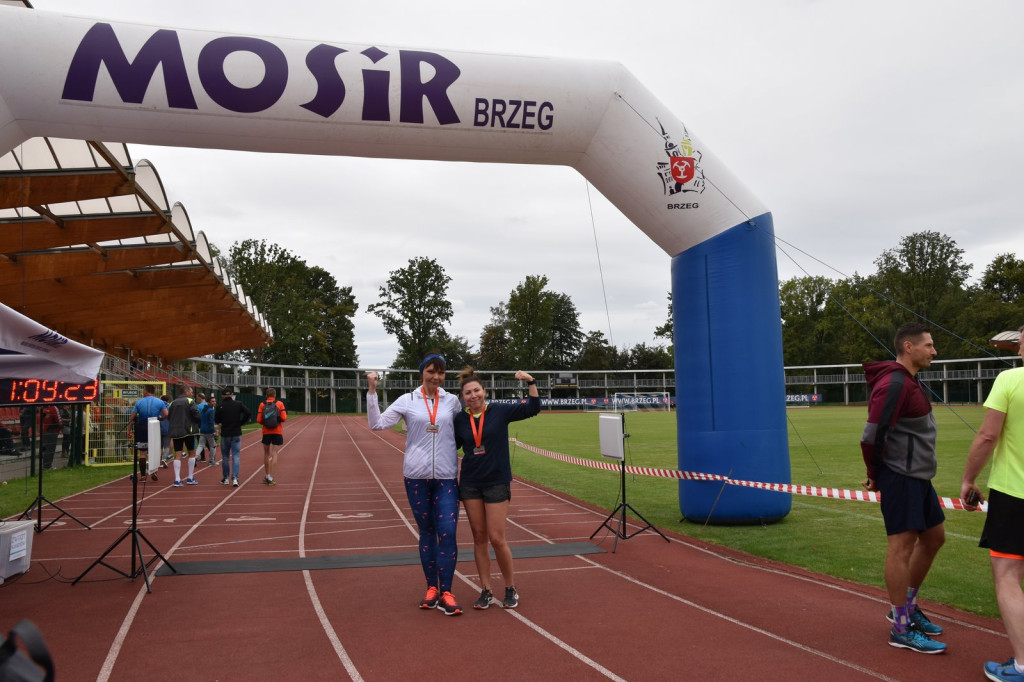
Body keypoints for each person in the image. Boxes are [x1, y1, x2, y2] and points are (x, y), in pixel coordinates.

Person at [861, 322, 946, 654]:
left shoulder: (910, 381)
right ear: (909, 347)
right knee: (901, 547)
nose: (934, 350)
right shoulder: (894, 384)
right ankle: (900, 626)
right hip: (900, 476)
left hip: (919, 477)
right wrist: (875, 474)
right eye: (929, 345)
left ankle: (907, 608)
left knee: (935, 538)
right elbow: (871, 436)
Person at [366, 352, 463, 616]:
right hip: (416, 477)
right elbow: (376, 424)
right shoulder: (407, 400)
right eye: (431, 371)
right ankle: (432, 587)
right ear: (422, 373)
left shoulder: (452, 401)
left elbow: (466, 428)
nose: (436, 377)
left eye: (441, 372)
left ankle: (447, 591)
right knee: (428, 532)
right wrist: (372, 391)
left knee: (448, 531)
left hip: (445, 477)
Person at [961, 325, 1024, 682]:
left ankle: (1021, 665)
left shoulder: (1010, 379)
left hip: (1015, 494)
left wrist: (969, 479)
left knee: (1008, 576)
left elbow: (987, 435)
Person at [454, 367, 540, 610]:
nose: (473, 396)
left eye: (476, 391)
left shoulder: (499, 411)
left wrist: (531, 381)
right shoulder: (460, 419)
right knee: (479, 538)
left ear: (485, 391)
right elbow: (451, 445)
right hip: (470, 483)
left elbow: (533, 408)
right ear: (463, 398)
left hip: (496, 481)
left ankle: (510, 587)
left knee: (497, 538)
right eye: (468, 393)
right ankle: (486, 590)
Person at [127, 384, 167, 482]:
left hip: (142, 427)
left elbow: (132, 417)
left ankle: (143, 475)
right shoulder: (160, 402)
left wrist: (128, 430)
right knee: (155, 451)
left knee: (142, 452)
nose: (142, 392)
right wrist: (160, 419)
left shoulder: (139, 402)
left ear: (146, 391)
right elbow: (166, 414)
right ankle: (154, 472)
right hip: (154, 425)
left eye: (143, 390)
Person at [215, 389, 251, 487]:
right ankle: (235, 478)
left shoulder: (219, 406)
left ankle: (226, 478)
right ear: (231, 395)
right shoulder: (238, 404)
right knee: (236, 456)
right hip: (236, 433)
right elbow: (248, 413)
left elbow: (217, 421)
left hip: (225, 434)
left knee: (225, 457)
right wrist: (241, 422)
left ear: (222, 396)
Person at [167, 386, 201, 487]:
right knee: (191, 452)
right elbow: (196, 414)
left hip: (175, 431)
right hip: (188, 430)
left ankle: (177, 479)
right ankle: (190, 477)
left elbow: (169, 416)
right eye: (191, 391)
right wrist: (197, 422)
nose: (192, 393)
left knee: (177, 454)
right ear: (186, 391)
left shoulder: (173, 402)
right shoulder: (190, 401)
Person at [256, 388, 287, 485]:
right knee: (275, 453)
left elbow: (259, 420)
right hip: (277, 431)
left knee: (266, 453)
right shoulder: (280, 404)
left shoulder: (262, 404)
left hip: (266, 432)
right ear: (275, 395)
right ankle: (271, 477)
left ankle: (267, 475)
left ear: (266, 395)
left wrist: (265, 422)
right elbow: (284, 418)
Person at [195, 394, 219, 466]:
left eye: (214, 401)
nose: (214, 403)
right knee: (213, 446)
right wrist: (214, 431)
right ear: (208, 402)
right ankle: (211, 461)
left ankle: (195, 458)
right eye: (212, 401)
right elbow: (211, 422)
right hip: (209, 431)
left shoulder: (203, 410)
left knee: (201, 445)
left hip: (202, 430)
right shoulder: (211, 411)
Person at [39, 404, 62, 470]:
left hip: (44, 430)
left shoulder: (42, 408)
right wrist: (61, 427)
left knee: (45, 449)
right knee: (50, 449)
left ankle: (45, 465)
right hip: (52, 431)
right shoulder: (54, 408)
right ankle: (47, 466)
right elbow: (59, 421)